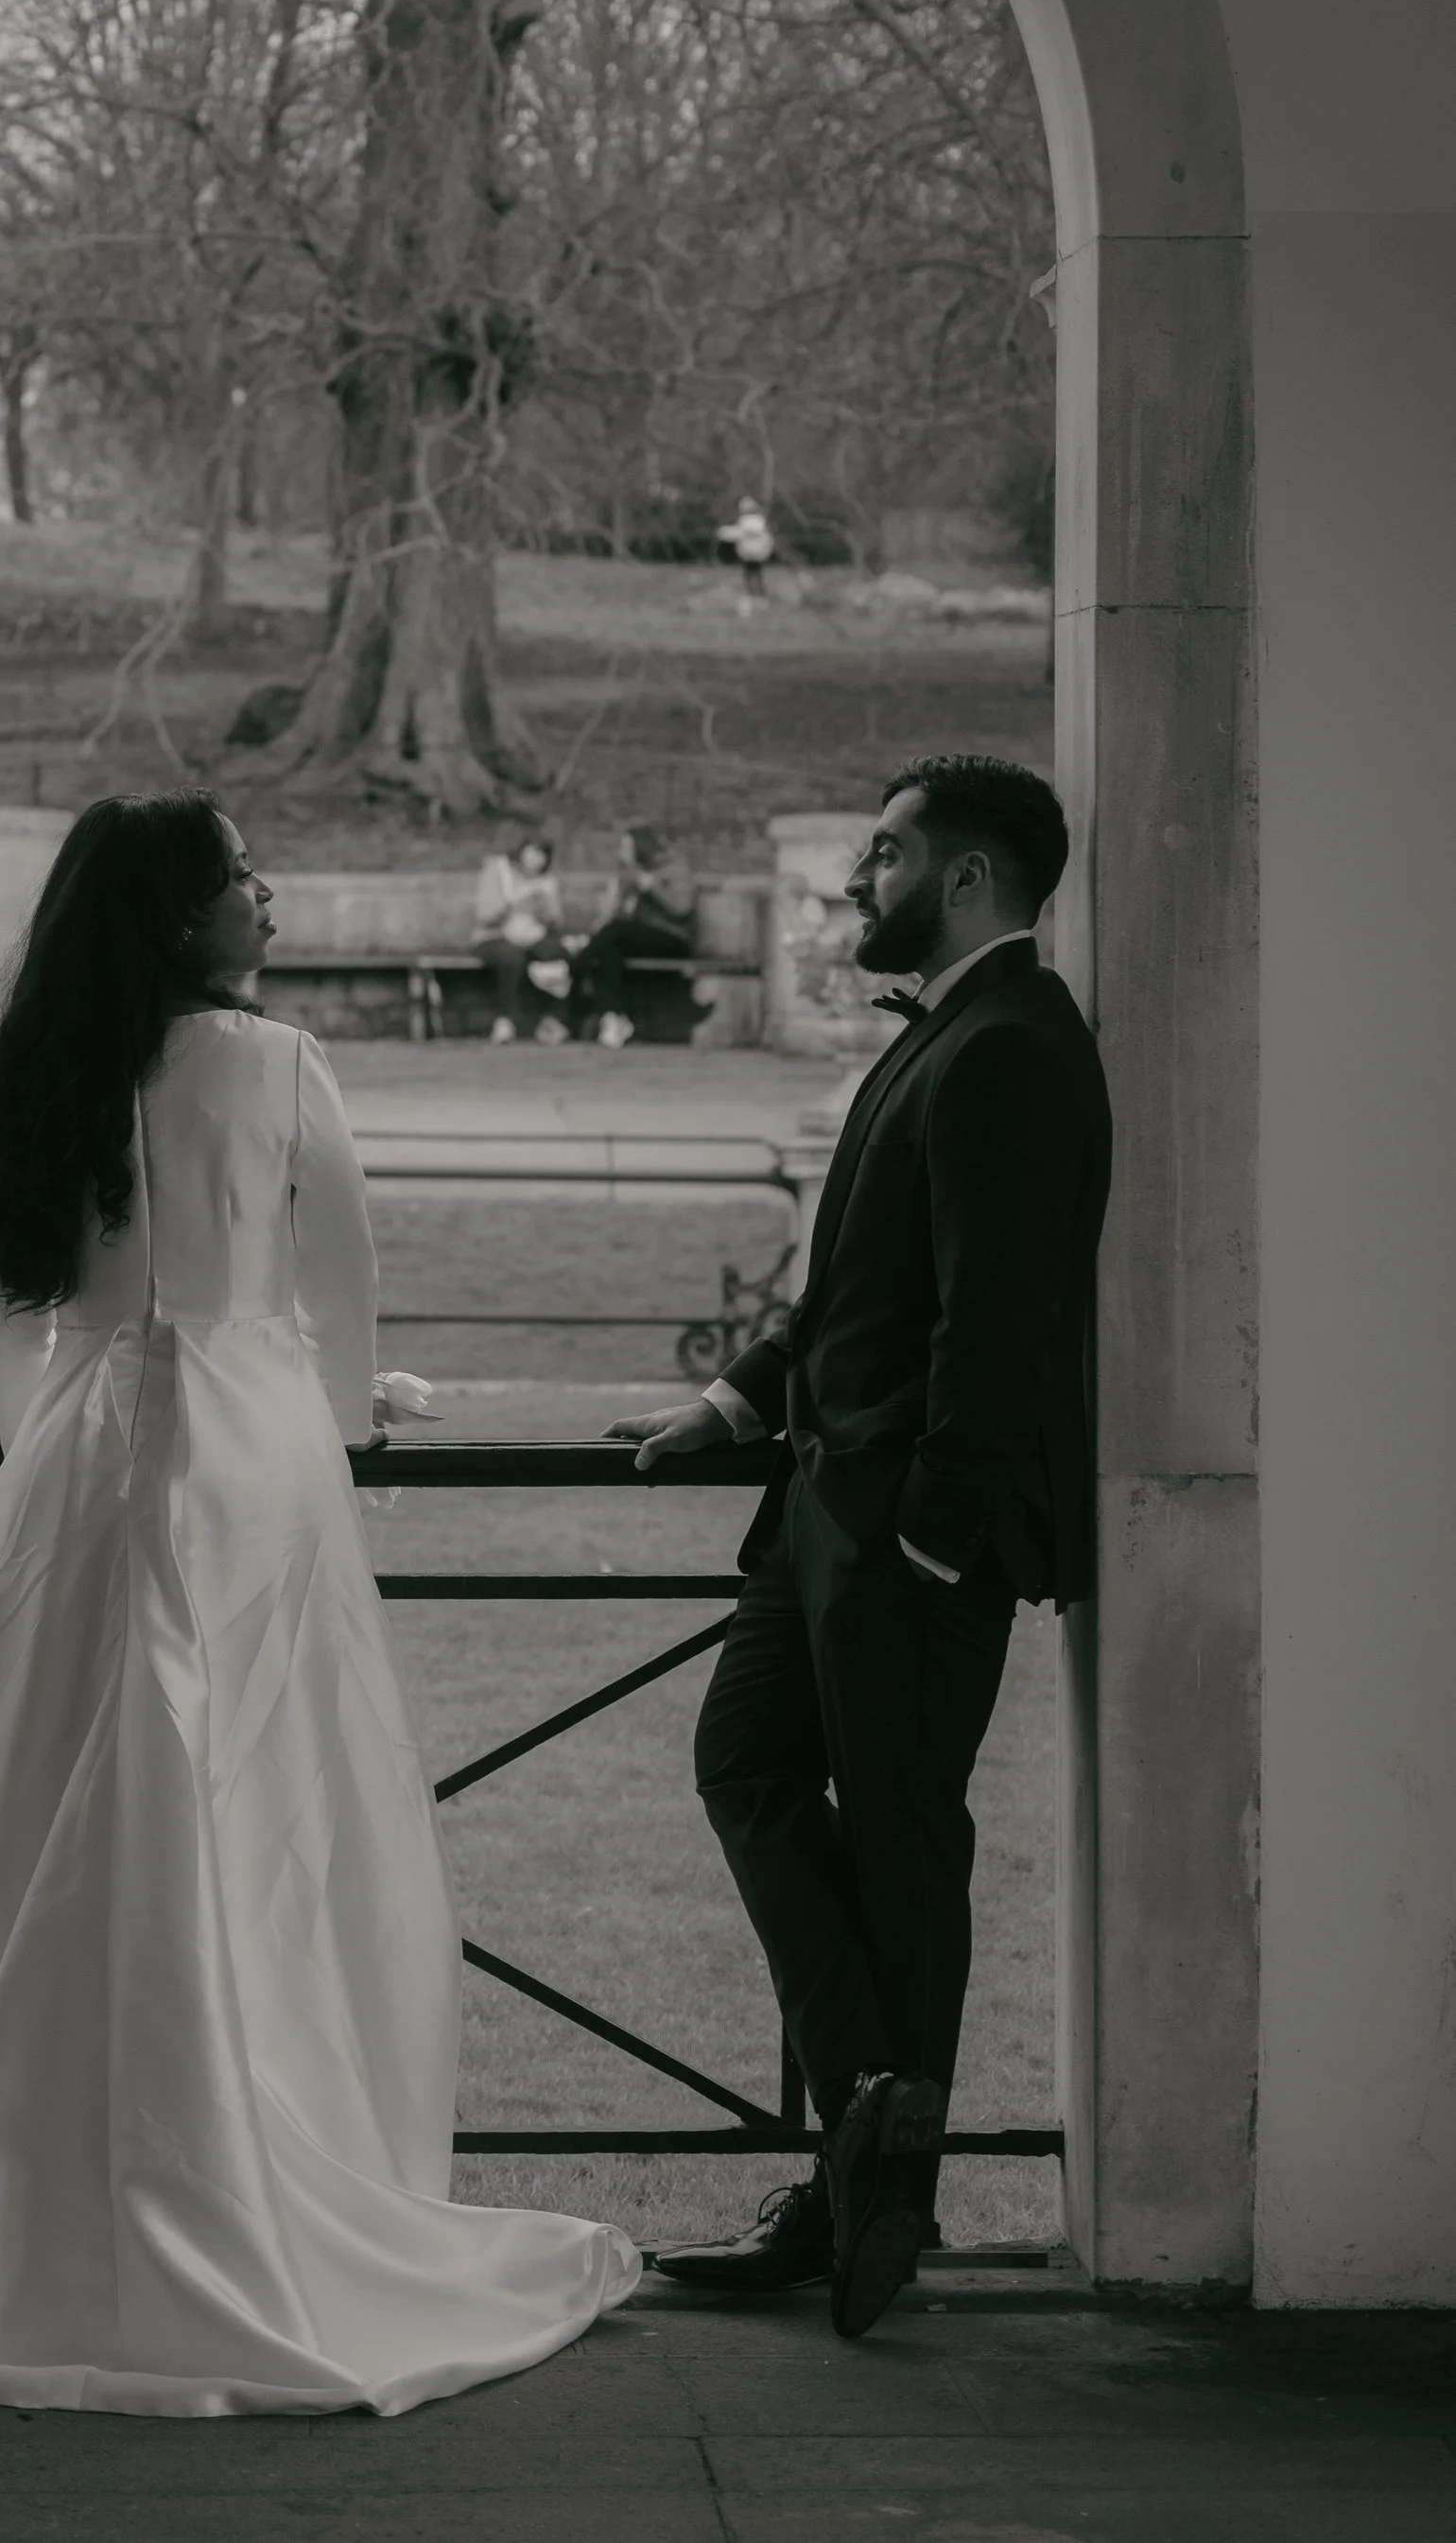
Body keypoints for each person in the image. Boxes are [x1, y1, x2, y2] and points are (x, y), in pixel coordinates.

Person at [0, 792, 639, 2412]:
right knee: (250, 1809)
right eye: (241, 876)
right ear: (184, 917)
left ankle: (22, 2155)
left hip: (80, 1462)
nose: (268, 894)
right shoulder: (277, 1065)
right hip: (246, 1464)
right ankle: (234, 2143)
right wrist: (364, 1413)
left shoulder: (46, 1069)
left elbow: (8, 1319)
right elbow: (334, 1287)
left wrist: (48, 1435)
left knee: (41, 1805)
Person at [609, 755, 1108, 2340]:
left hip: (905, 1541)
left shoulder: (1018, 1048)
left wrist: (942, 1542)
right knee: (744, 1763)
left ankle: (872, 2205)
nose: (852, 881)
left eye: (880, 854)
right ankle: (871, 2113)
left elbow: (1001, 1319)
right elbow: (857, 1286)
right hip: (811, 1518)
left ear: (962, 878)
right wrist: (732, 1399)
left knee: (903, 1844)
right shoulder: (953, 1031)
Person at [572, 827, 700, 1048]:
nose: (621, 852)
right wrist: (619, 887)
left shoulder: (674, 870)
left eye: (625, 847)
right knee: (610, 953)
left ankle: (573, 966)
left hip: (671, 937)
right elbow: (613, 914)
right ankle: (615, 1018)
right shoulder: (630, 874)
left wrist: (653, 887)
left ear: (640, 848)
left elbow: (682, 908)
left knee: (615, 932)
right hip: (637, 937)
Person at [474, 833, 574, 1043]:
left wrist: (546, 909)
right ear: (521, 851)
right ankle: (505, 1020)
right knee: (512, 957)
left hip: (532, 935)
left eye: (542, 855)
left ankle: (554, 1020)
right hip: (495, 936)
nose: (536, 860)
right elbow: (485, 916)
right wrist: (513, 901)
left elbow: (556, 923)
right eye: (532, 852)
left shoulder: (546, 881)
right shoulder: (497, 870)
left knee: (557, 953)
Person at [719, 494, 775, 602]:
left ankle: (752, 590)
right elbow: (767, 538)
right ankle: (758, 590)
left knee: (750, 571)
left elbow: (739, 533)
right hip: (756, 552)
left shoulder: (748, 521)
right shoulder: (760, 520)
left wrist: (724, 532)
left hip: (750, 552)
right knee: (755, 571)